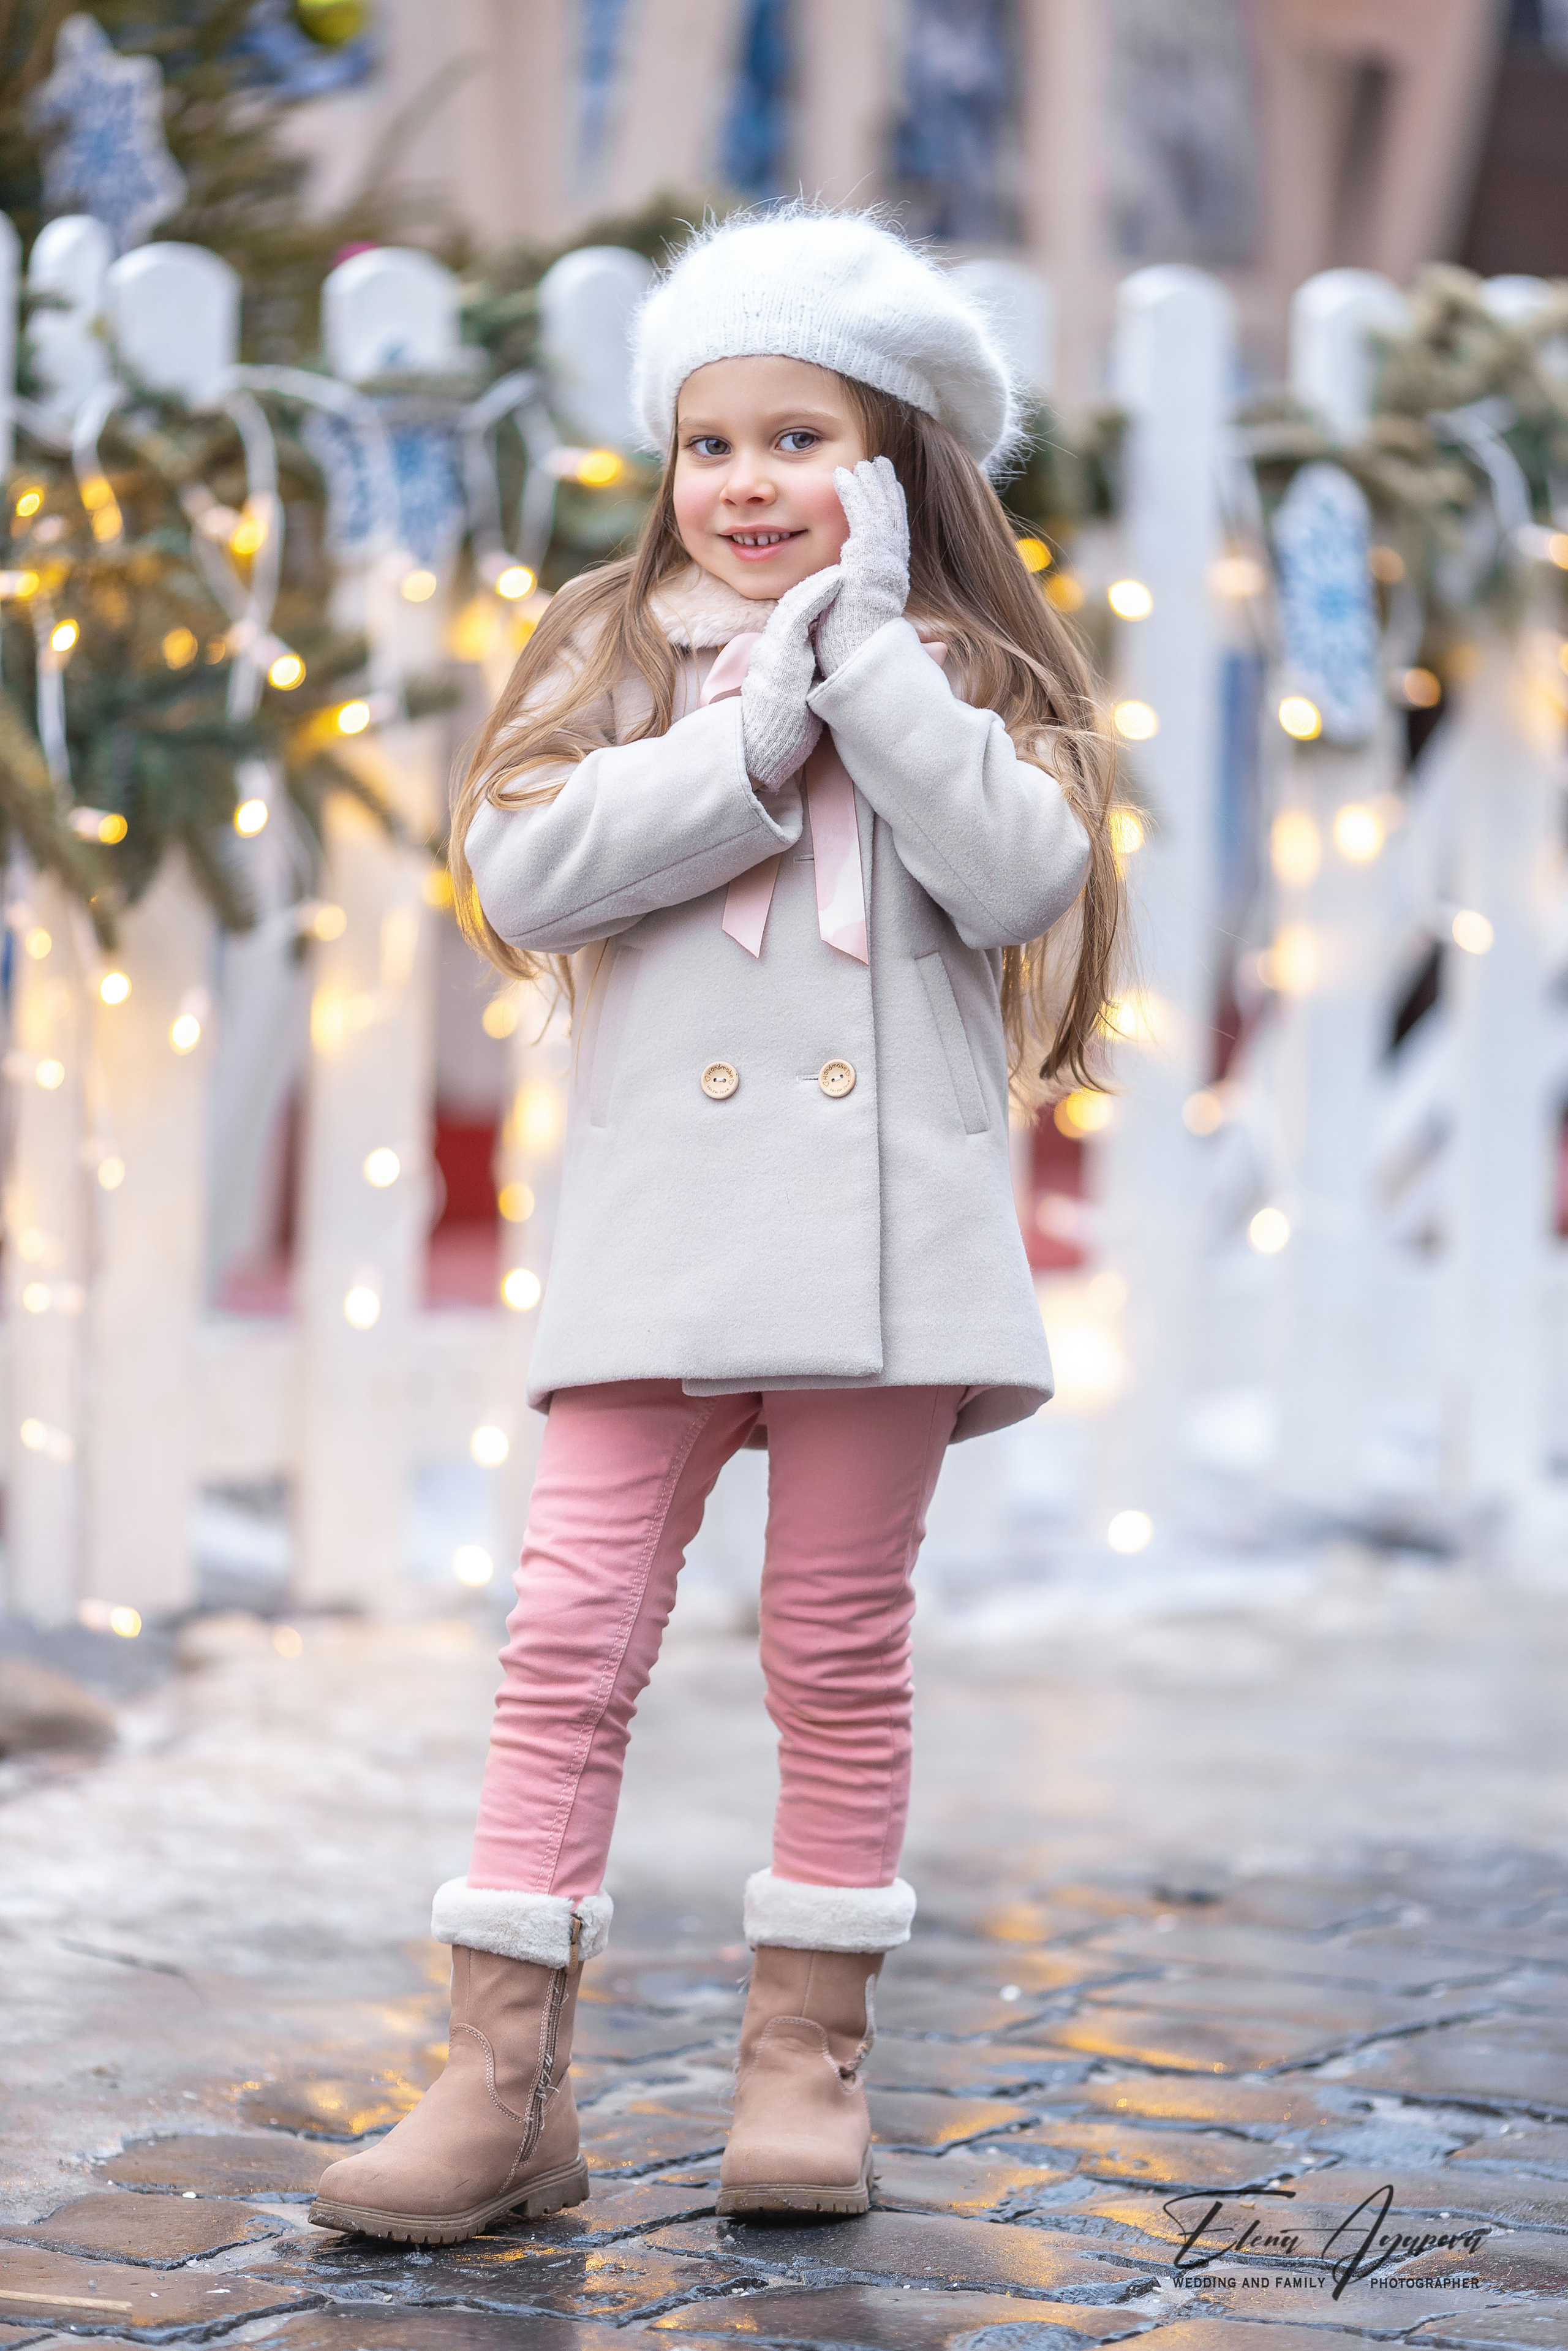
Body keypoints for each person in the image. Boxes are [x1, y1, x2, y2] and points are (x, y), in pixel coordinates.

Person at [310, 207, 1123, 2247]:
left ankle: (804, 2066)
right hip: (663, 1245)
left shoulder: (969, 676)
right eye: (710, 444)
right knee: (566, 1638)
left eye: (800, 440)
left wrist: (868, 672)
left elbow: (1019, 876)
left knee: (838, 1649)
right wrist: (743, 736)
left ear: (901, 464)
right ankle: (502, 2086)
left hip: (886, 1264)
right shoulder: (618, 656)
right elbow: (523, 873)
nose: (747, 485)